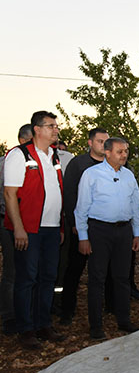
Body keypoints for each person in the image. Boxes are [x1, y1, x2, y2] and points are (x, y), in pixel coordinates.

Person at [3, 111, 66, 349]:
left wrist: (59, 225)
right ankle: (25, 329)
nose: (56, 129)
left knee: (48, 278)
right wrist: (18, 228)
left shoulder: (54, 156)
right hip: (28, 229)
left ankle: (43, 324)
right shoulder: (18, 155)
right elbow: (9, 193)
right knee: (26, 279)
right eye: (51, 126)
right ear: (37, 130)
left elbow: (55, 192)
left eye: (56, 125)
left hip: (51, 229)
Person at [74, 138, 139, 340]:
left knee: (122, 278)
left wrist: (136, 233)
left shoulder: (129, 175)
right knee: (97, 278)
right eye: (120, 151)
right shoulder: (91, 175)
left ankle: (124, 320)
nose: (124, 155)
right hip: (99, 231)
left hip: (124, 231)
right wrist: (83, 237)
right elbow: (81, 208)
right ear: (107, 152)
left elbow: (134, 205)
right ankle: (96, 326)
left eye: (126, 151)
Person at [59, 127, 110, 325]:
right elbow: (70, 194)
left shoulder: (111, 163)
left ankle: (109, 307)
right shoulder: (78, 164)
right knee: (74, 269)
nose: (103, 145)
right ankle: (66, 310)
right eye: (99, 141)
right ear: (90, 143)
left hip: (105, 227)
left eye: (106, 141)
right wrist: (74, 224)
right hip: (81, 226)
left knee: (106, 271)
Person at [0, 124, 33, 335]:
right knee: (12, 272)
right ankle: (9, 317)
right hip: (8, 223)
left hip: (31, 225)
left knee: (29, 271)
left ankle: (27, 313)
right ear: (22, 141)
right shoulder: (7, 162)